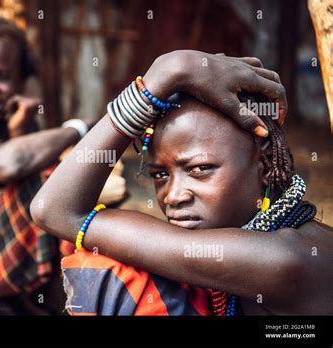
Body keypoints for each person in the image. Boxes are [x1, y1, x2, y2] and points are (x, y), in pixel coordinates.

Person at [31, 50, 333, 315]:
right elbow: (53, 210)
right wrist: (169, 75)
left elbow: (55, 210)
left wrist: (172, 68)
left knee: (112, 274)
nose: (173, 196)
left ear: (266, 164)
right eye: (159, 174)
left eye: (200, 168)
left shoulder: (285, 261)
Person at [0, 15, 92, 314]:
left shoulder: (20, 119)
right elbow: (5, 165)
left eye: (0, 76)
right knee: (53, 184)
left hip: (18, 264)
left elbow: (18, 177)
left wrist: (20, 132)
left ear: (22, 78)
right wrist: (80, 128)